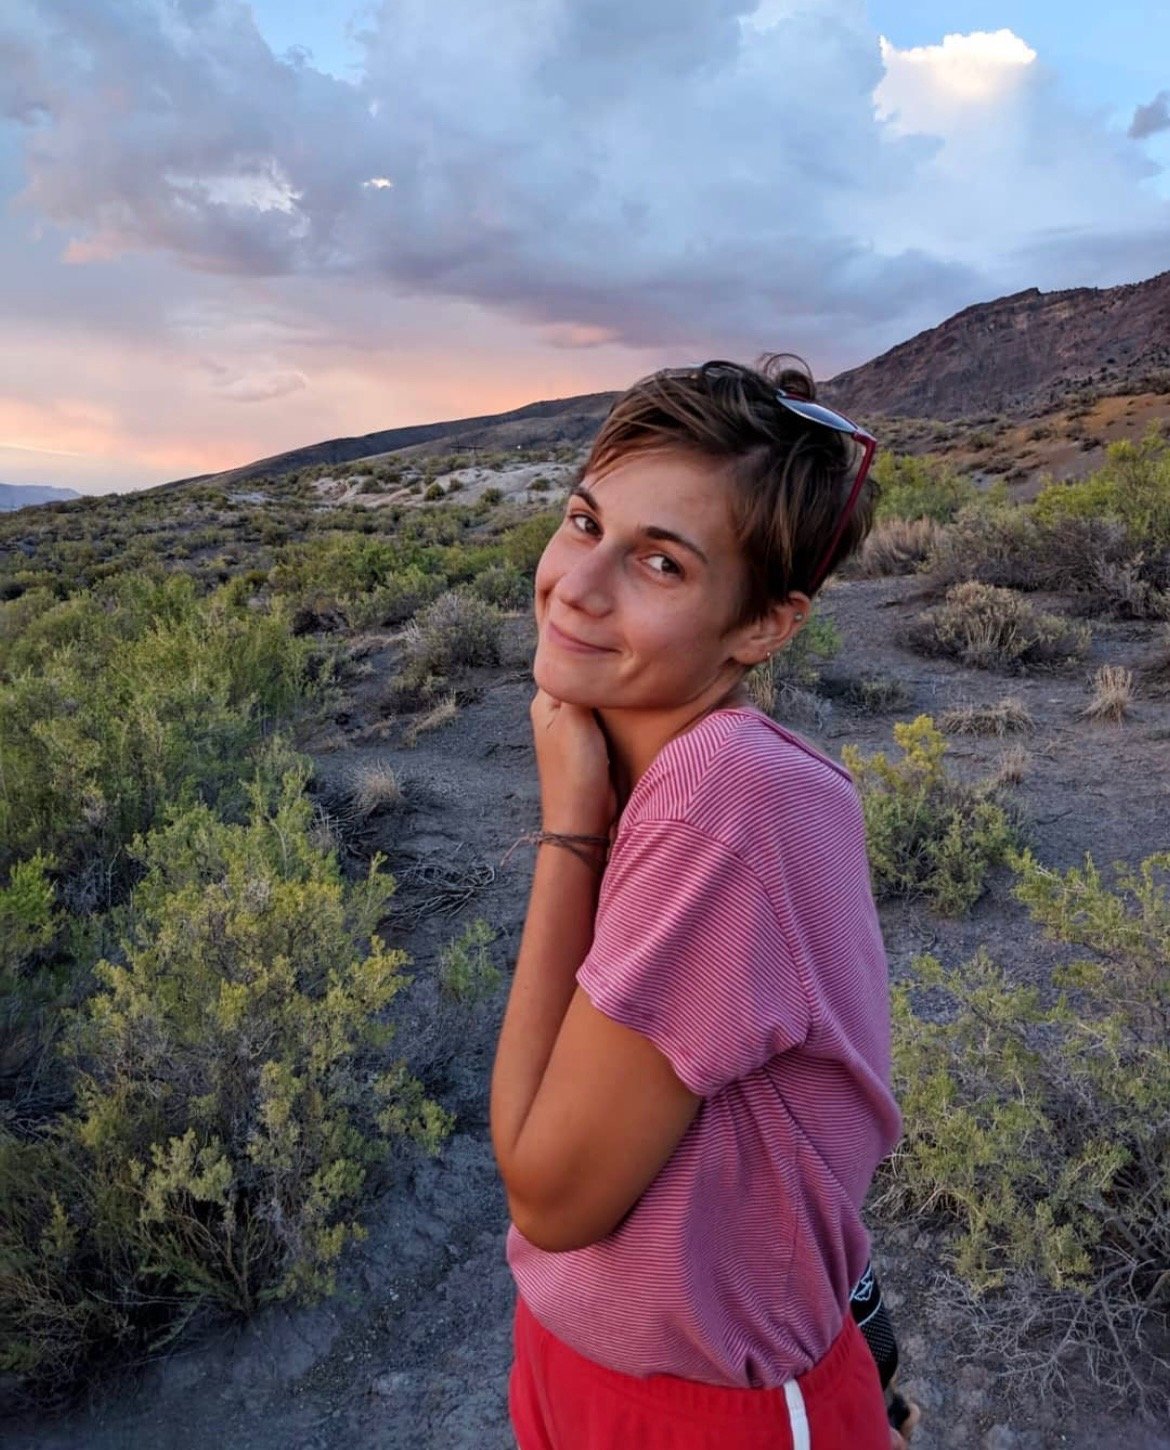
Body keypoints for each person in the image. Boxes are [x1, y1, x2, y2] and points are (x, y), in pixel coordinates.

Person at [491, 356, 910, 1449]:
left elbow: (549, 1192)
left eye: (661, 563)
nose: (578, 586)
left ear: (764, 626)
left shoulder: (718, 792)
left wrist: (570, 826)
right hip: (586, 1358)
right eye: (585, 522)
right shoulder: (685, 767)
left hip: (703, 1410)